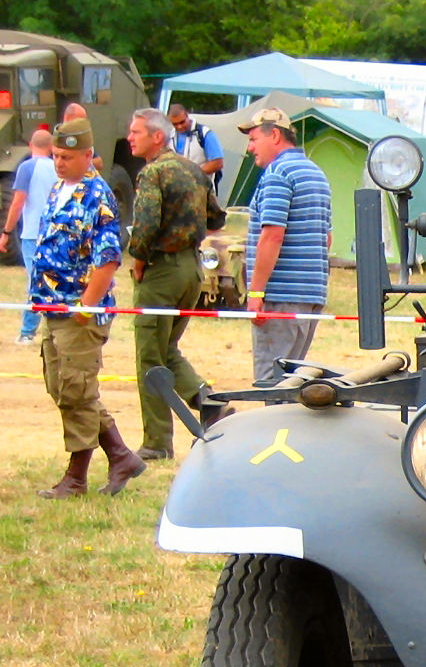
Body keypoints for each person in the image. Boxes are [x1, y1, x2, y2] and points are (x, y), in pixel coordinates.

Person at [32, 117, 144, 499]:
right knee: (61, 386)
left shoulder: (98, 197)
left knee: (77, 389)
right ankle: (120, 455)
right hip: (51, 308)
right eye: (55, 156)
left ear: (88, 156)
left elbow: (108, 258)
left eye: (67, 157)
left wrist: (86, 306)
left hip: (79, 314)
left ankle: (76, 477)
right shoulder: (58, 189)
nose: (59, 163)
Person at [125, 107, 229, 460]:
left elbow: (145, 226)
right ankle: (209, 402)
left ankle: (156, 442)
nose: (129, 138)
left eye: (135, 132)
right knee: (167, 349)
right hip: (192, 270)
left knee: (149, 358)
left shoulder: (153, 173)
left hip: (162, 271)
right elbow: (216, 217)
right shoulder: (193, 170)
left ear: (157, 136)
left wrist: (139, 262)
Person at [238, 107, 332, 386]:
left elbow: (273, 236)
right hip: (310, 296)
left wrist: (255, 292)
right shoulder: (316, 173)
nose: (250, 147)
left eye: (254, 139)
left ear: (275, 135)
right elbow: (326, 239)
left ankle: (274, 432)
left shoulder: (278, 173)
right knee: (293, 381)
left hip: (280, 298)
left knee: (272, 384)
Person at [1, 128, 56, 343]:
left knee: (36, 283)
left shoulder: (26, 168)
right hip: (54, 234)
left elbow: (17, 202)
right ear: (51, 148)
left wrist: (6, 232)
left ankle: (27, 332)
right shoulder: (57, 168)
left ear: (31, 146)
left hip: (33, 234)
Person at [170, 103, 225, 194]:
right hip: (178, 193)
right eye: (175, 124)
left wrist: (190, 175)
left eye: (182, 122)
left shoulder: (204, 134)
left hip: (202, 191)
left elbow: (217, 163)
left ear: (187, 116)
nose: (179, 126)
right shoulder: (170, 136)